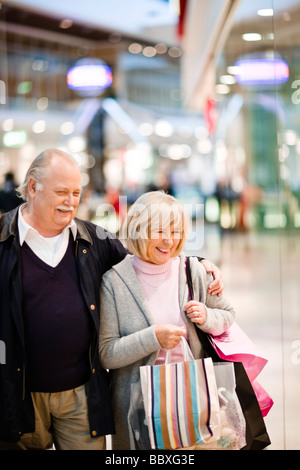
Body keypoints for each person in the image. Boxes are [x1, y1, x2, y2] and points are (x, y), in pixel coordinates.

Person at [0, 149, 223, 450]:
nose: (71, 201)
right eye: (62, 192)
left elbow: (147, 254)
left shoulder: (93, 239)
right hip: (19, 394)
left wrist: (200, 262)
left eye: (76, 192)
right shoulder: (3, 238)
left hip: (80, 395)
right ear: (32, 187)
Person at [99, 191, 235, 450]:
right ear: (138, 230)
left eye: (175, 231)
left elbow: (228, 315)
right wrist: (153, 338)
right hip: (139, 411)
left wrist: (207, 317)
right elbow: (106, 353)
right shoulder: (114, 282)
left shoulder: (193, 271)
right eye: (159, 231)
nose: (168, 241)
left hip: (195, 402)